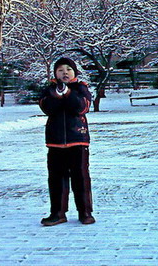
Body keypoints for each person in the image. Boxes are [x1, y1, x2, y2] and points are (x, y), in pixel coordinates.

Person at [38, 57, 95, 226]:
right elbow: (46, 108)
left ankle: (85, 212)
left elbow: (82, 108)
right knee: (56, 179)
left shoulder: (81, 88)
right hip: (55, 142)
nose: (65, 73)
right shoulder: (49, 90)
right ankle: (57, 213)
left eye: (68, 70)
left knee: (81, 177)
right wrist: (57, 94)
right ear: (55, 73)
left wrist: (68, 94)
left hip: (78, 140)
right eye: (61, 70)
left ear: (74, 72)